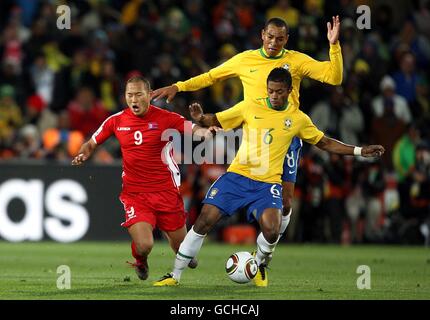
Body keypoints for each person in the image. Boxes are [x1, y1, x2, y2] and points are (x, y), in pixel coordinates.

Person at [153, 68, 384, 287]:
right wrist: (201, 117)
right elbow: (218, 119)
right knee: (204, 220)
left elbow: (324, 142)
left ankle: (261, 263)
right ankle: (175, 274)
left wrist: (360, 151)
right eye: (270, 90)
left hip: (267, 184)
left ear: (290, 91)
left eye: (279, 91)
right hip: (237, 176)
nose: (274, 95)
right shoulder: (250, 107)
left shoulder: (298, 119)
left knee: (272, 229)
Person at [152, 16, 343, 244]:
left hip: (287, 132)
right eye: (270, 37)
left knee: (287, 200)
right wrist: (179, 86)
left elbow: (334, 77)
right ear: (262, 34)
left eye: (280, 39)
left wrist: (333, 45)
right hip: (254, 135)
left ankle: (268, 250)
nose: (274, 42)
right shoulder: (245, 60)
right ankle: (256, 249)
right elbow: (211, 76)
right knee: (245, 187)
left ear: (287, 39)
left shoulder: (296, 61)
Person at [71, 76, 213, 280]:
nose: (134, 99)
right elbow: (92, 142)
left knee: (187, 255)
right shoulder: (116, 120)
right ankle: (140, 260)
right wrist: (84, 153)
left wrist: (206, 133)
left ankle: (181, 250)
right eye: (130, 95)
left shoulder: (166, 118)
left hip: (166, 192)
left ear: (150, 94)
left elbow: (193, 129)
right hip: (135, 194)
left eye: (138, 94)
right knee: (145, 245)